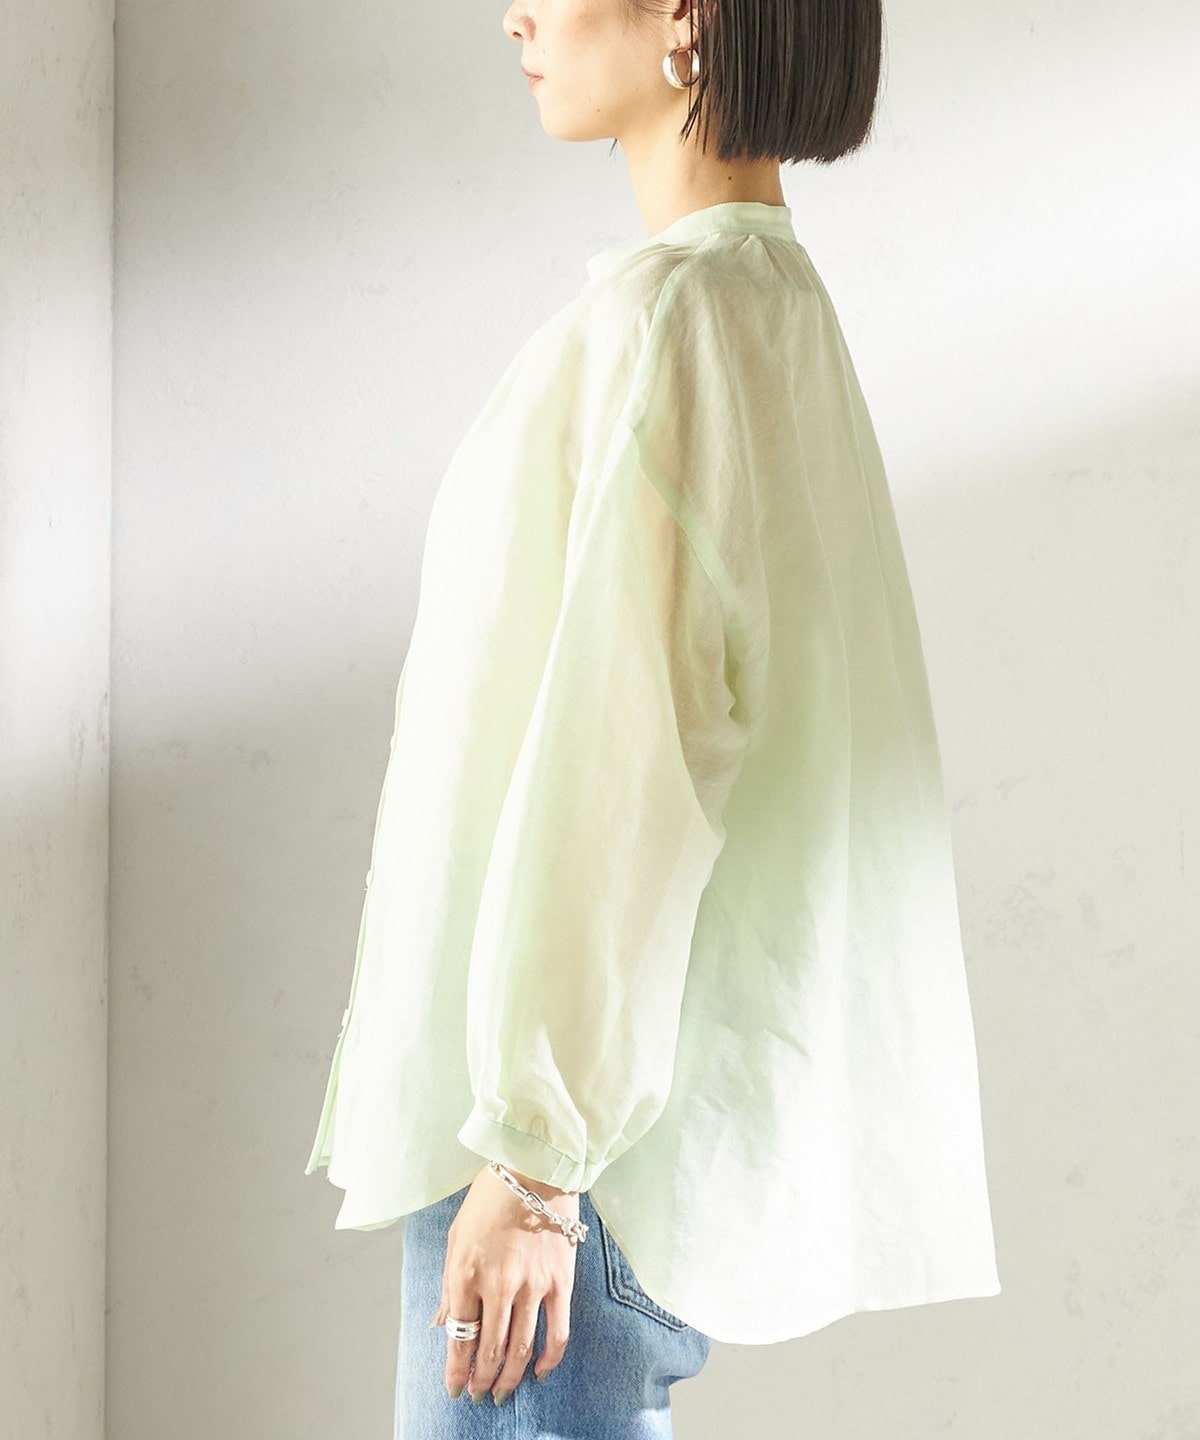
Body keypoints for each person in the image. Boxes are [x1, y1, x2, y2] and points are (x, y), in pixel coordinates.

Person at [304, 0, 1003, 1434]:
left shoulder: (673, 319)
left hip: (563, 1186)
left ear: (686, 10)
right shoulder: (768, 305)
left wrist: (533, 1161)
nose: (516, 12)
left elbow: (625, 765)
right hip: (601, 1159)